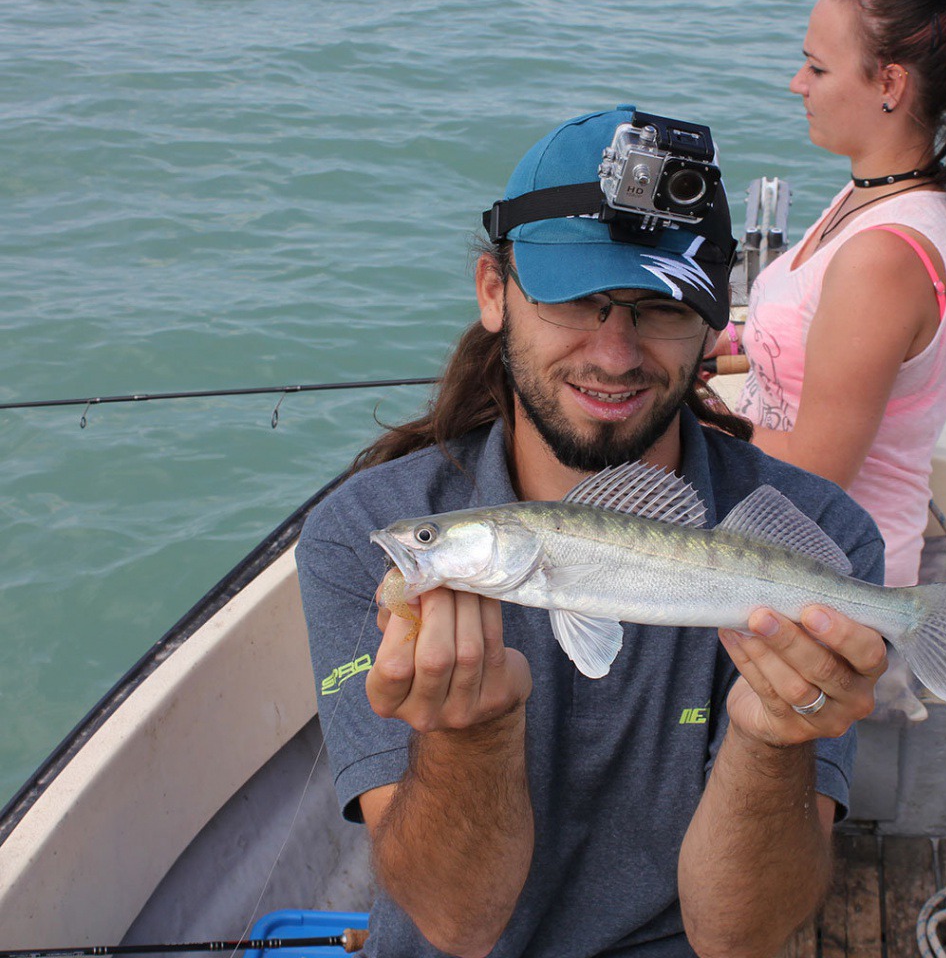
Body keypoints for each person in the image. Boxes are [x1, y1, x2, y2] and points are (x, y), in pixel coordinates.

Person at [296, 104, 889, 958]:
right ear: (494, 293)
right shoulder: (360, 534)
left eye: (657, 308)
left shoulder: (822, 537)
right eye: (577, 300)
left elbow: (743, 936)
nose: (614, 354)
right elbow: (455, 924)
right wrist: (471, 735)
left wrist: (771, 736)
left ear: (714, 322)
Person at [721, 0, 946, 589]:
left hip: (835, 582)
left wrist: (686, 411)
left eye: (817, 68)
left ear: (889, 83)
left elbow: (815, 475)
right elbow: (809, 341)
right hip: (777, 553)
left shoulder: (883, 256)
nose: (797, 84)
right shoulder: (875, 193)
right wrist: (715, 345)